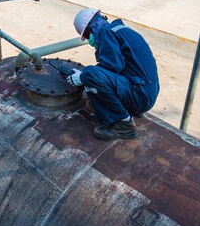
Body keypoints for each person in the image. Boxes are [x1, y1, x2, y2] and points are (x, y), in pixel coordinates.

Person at [66, 8, 160, 141]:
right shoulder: (123, 31)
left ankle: (124, 126)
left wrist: (82, 77)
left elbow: (112, 66)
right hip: (146, 94)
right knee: (90, 75)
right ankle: (127, 111)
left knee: (90, 73)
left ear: (92, 28)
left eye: (87, 35)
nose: (89, 40)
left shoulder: (106, 33)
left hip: (140, 96)